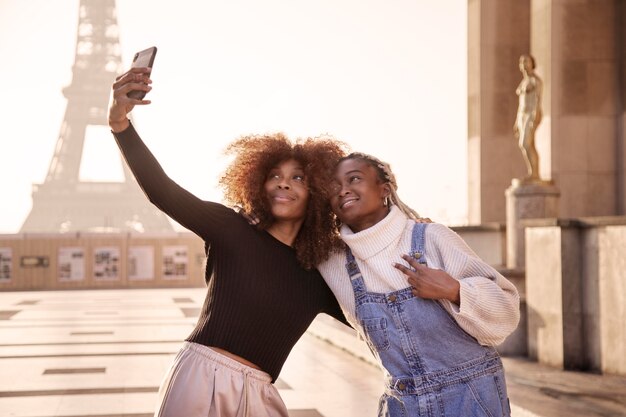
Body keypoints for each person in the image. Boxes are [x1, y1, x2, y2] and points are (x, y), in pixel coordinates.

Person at [108, 66, 350, 417]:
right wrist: (120, 124)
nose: (284, 183)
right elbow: (161, 190)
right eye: (275, 175)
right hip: (199, 379)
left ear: (319, 192)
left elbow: (378, 319)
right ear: (257, 184)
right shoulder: (231, 228)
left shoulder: (319, 275)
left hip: (261, 394)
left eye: (298, 177)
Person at [317, 152, 520, 416]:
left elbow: (507, 311)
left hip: (471, 399)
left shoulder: (431, 238)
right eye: (333, 186)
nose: (343, 190)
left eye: (354, 179)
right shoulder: (333, 262)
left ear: (384, 190)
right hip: (402, 405)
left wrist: (455, 291)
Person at [514, 54, 543, 182]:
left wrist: (534, 115)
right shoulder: (523, 82)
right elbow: (521, 103)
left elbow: (537, 99)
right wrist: (516, 121)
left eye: (526, 61)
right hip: (522, 114)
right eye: (522, 62)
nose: (524, 64)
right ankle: (531, 172)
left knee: (526, 143)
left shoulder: (535, 81)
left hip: (531, 113)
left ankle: (535, 173)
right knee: (524, 144)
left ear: (532, 63)